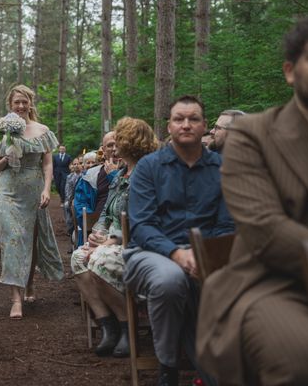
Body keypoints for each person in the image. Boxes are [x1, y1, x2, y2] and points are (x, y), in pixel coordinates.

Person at [197, 16, 308, 386]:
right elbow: (267, 231)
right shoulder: (254, 135)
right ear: (291, 71)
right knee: (307, 359)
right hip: (272, 283)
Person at [123, 95, 235, 386]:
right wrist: (178, 254)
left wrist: (204, 256)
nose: (186, 124)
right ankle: (168, 368)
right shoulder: (149, 167)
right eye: (179, 119)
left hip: (208, 254)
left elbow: (226, 225)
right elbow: (143, 226)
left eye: (193, 119)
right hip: (151, 253)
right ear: (169, 125)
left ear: (205, 126)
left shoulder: (222, 169)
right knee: (171, 279)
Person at [71, 117, 158, 358]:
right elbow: (108, 212)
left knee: (99, 260)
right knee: (79, 257)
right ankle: (107, 325)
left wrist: (111, 240)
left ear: (131, 141)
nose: (113, 143)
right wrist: (95, 235)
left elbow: (138, 216)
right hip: (112, 239)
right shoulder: (120, 175)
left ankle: (127, 327)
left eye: (118, 138)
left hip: (136, 242)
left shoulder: (147, 172)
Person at [0, 84, 64, 320]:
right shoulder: (1, 131)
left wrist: (46, 190)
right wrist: (7, 155)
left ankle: (29, 282)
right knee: (13, 238)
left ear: (30, 103)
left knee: (29, 240)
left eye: (24, 102)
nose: (20, 106)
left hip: (33, 188)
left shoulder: (42, 130)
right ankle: (15, 299)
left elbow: (47, 164)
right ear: (10, 106)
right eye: (16, 103)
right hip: (7, 190)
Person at [74, 133, 119, 246]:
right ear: (103, 150)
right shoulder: (90, 175)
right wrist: (94, 228)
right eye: (110, 145)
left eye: (117, 144)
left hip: (123, 229)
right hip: (96, 231)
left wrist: (114, 174)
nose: (114, 149)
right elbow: (80, 204)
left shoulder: (133, 170)